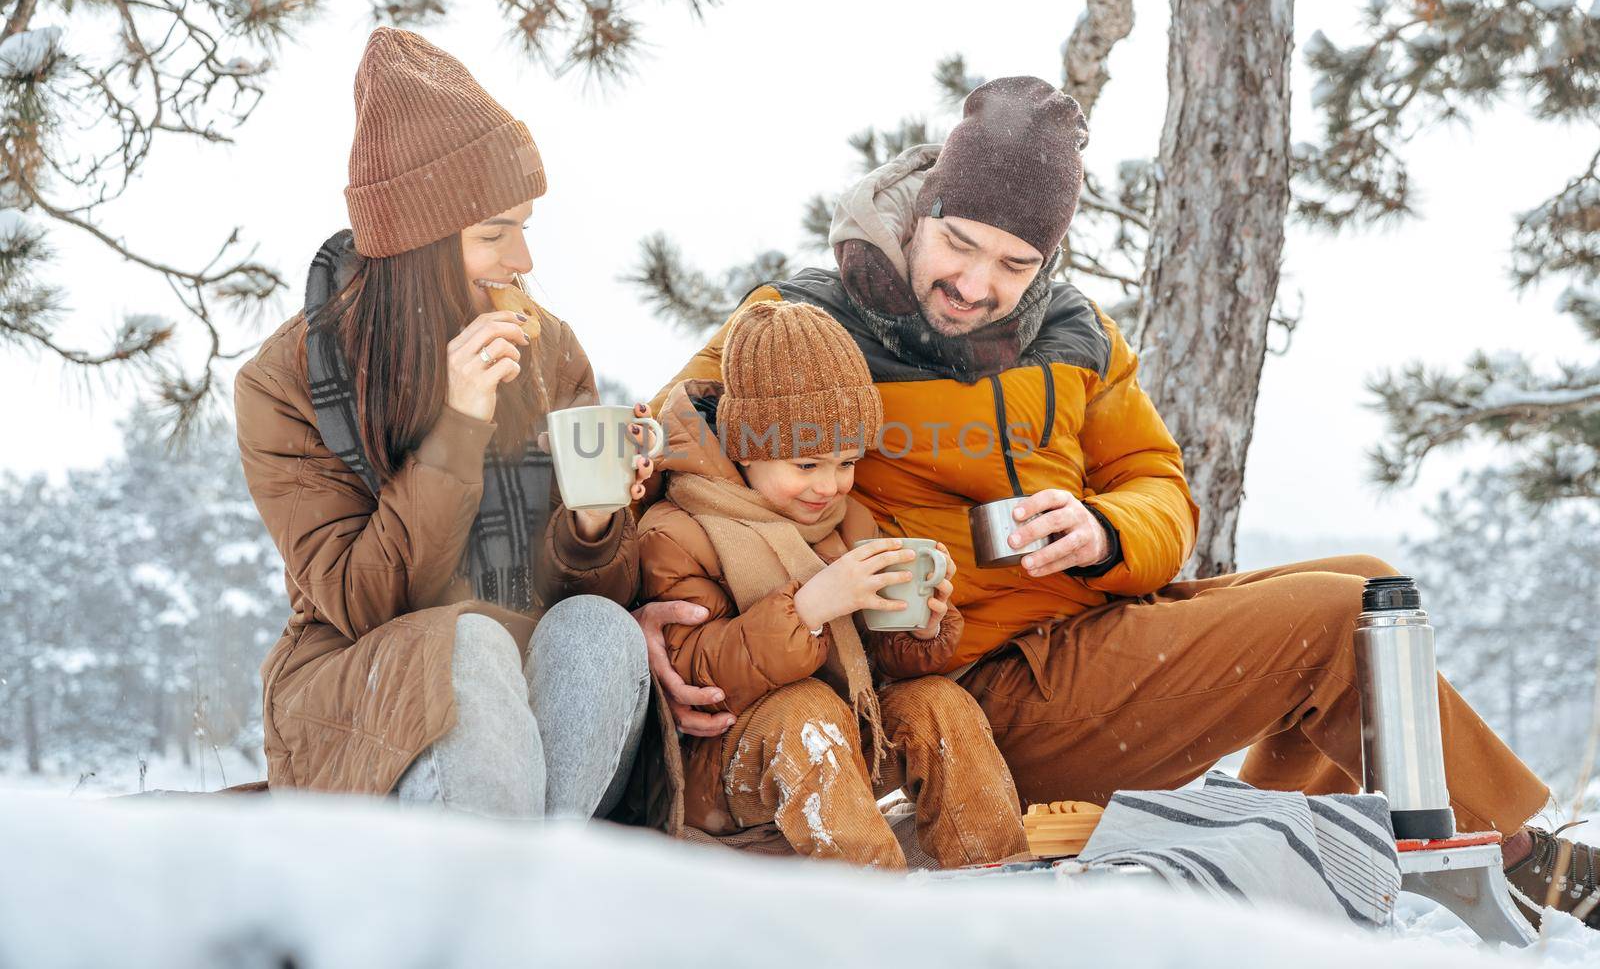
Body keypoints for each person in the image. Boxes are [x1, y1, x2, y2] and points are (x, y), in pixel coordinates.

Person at [647, 75, 1597, 926]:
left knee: (1369, 585)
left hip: (1097, 643)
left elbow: (1159, 489)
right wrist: (640, 600)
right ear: (920, 207)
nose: (976, 284)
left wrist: (1102, 529)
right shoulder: (805, 320)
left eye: (1014, 264)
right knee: (1342, 618)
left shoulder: (1077, 335)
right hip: (963, 684)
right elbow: (661, 450)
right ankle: (1519, 860)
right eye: (959, 245)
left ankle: (1305, 844)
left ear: (1048, 259)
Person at [236, 28, 659, 822]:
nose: (523, 258)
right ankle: (485, 905)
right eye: (494, 233)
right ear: (418, 247)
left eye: (525, 226)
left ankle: (535, 898)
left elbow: (581, 590)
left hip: (526, 674)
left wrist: (598, 521)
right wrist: (461, 423)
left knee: (599, 629)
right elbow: (365, 602)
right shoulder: (286, 380)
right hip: (364, 681)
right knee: (466, 642)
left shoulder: (549, 346)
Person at [639, 300, 1028, 866]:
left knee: (938, 703)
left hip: (850, 738)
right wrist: (809, 607)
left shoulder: (847, 521)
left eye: (847, 462)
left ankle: (993, 876)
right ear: (749, 448)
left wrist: (920, 628)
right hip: (725, 763)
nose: (831, 485)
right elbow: (695, 671)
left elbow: (878, 664)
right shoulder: (679, 529)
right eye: (807, 464)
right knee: (805, 709)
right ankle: (872, 904)